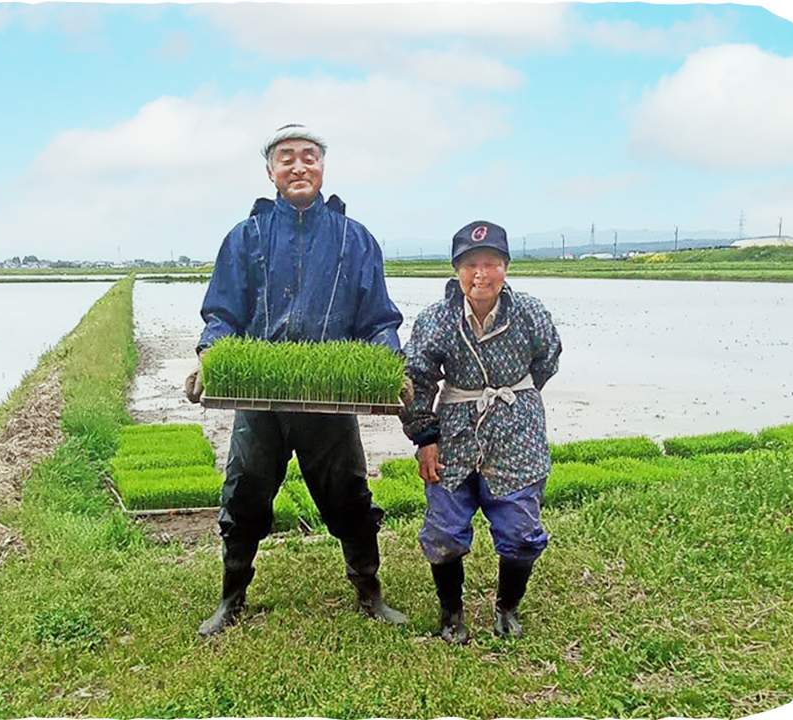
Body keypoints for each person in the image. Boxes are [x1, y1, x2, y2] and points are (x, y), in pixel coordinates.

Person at [185, 124, 407, 637]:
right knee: (242, 497)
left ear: (323, 167)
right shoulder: (245, 238)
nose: (299, 166)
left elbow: (378, 320)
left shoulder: (355, 239)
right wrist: (209, 359)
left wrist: (390, 368)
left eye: (309, 157)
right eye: (287, 158)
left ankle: (369, 592)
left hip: (328, 405)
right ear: (270, 172)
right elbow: (221, 315)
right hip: (258, 403)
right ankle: (231, 596)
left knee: (349, 497)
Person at [399, 220, 562, 644]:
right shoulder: (437, 319)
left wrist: (516, 402)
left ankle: (507, 608)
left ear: (505, 267)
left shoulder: (530, 313)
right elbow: (417, 379)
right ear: (456, 270)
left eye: (491, 263)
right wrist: (425, 437)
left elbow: (547, 361)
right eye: (470, 264)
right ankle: (451, 614)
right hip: (454, 431)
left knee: (520, 531)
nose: (480, 274)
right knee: (443, 530)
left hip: (517, 430)